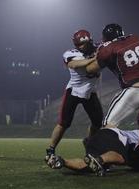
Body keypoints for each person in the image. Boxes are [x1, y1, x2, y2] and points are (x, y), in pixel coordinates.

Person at [83, 23, 139, 128]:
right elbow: (120, 48)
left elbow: (90, 69)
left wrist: (92, 56)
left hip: (134, 91)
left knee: (108, 125)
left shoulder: (107, 48)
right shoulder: (134, 38)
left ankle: (104, 144)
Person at [45, 29, 104, 162]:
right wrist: (94, 58)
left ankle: (90, 145)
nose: (82, 47)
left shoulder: (97, 49)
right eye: (80, 45)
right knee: (64, 123)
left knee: (97, 122)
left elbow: (109, 46)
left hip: (90, 92)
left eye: (84, 43)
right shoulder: (71, 53)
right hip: (74, 91)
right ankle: (50, 149)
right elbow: (74, 64)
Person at [46, 128, 139, 176]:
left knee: (87, 166)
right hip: (112, 135)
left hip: (98, 139)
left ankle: (62, 161)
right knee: (121, 158)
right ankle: (99, 160)